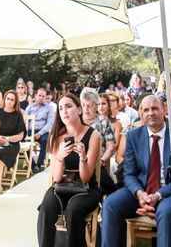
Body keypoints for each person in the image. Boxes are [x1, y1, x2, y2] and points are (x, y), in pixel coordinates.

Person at [101, 94, 171, 247]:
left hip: (169, 192)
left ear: (164, 109)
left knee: (165, 211)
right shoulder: (133, 137)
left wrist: (157, 196)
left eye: (154, 108)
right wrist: (140, 194)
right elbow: (129, 174)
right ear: (141, 113)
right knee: (110, 204)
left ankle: (155, 207)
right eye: (146, 110)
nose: (150, 113)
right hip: (141, 191)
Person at [37, 93, 101, 247]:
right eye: (60, 108)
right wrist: (59, 157)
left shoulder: (93, 135)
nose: (64, 111)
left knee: (73, 210)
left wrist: (82, 158)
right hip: (61, 186)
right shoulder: (56, 137)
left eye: (68, 106)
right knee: (46, 207)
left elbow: (86, 178)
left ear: (79, 110)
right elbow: (56, 179)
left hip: (86, 188)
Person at [80, 88, 116, 194]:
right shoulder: (76, 120)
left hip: (98, 163)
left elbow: (111, 148)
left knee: (110, 189)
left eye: (90, 105)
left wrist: (101, 161)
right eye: (83, 105)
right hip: (78, 163)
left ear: (96, 105)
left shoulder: (103, 121)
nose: (86, 109)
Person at [0, 90, 26, 198]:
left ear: (15, 102)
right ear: (4, 99)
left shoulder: (18, 115)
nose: (9, 101)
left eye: (12, 99)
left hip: (11, 145)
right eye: (8, 98)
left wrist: (6, 139)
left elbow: (20, 136)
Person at [25, 87, 54, 171]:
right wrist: (27, 132)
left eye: (43, 96)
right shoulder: (29, 107)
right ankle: (33, 165)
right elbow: (25, 121)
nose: (41, 98)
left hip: (43, 131)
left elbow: (49, 124)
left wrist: (40, 133)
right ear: (35, 96)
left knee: (45, 140)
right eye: (39, 95)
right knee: (24, 141)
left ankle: (39, 163)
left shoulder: (49, 108)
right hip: (30, 130)